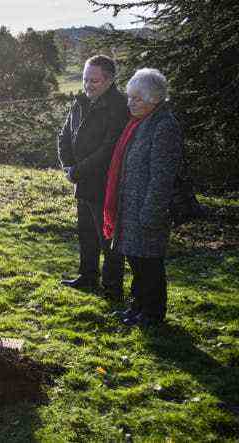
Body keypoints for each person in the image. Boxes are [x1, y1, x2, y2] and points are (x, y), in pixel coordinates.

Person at [104, 68, 182, 327]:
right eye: (130, 97)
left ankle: (152, 314)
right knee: (135, 261)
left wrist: (151, 212)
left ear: (155, 99)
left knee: (149, 263)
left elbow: (162, 176)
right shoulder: (138, 123)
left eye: (136, 98)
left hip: (148, 209)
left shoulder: (164, 126)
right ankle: (137, 307)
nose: (130, 103)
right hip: (132, 208)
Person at [57, 55, 128, 298]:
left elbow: (109, 148)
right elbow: (64, 136)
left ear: (109, 80)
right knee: (86, 232)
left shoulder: (119, 107)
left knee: (108, 238)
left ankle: (112, 287)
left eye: (94, 81)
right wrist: (68, 166)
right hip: (82, 181)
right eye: (85, 79)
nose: (87, 85)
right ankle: (88, 276)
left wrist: (77, 171)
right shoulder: (80, 102)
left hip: (105, 184)